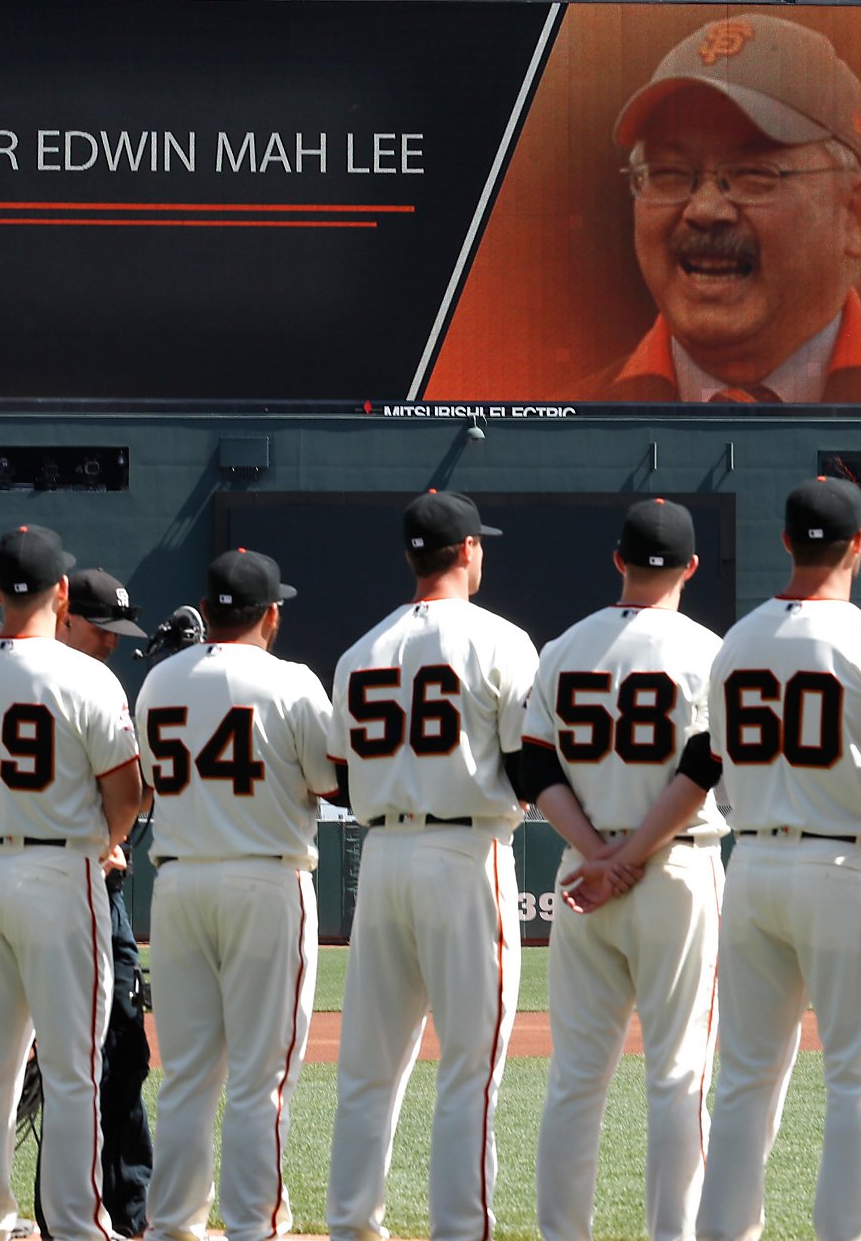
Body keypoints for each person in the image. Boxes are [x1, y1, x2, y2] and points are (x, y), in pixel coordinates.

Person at [650, 477, 861, 1241]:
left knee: (742, 1081)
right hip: (845, 863)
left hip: (754, 865)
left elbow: (712, 762)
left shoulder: (734, 646)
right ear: (858, 543)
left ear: (788, 540)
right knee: (856, 1081)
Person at [325, 491, 537, 1241]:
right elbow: (526, 764)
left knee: (368, 1069)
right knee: (470, 1068)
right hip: (465, 851)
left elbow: (343, 781)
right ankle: (460, 1228)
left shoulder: (361, 650)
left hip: (381, 854)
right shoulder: (503, 641)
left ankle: (350, 1223)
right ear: (469, 550)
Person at [520, 499, 726, 1241]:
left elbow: (530, 762)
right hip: (672, 866)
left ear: (619, 559)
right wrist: (630, 856)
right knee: (678, 1074)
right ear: (691, 567)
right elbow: (705, 765)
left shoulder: (562, 648)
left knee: (576, 1076)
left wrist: (597, 857)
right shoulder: (708, 650)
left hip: (584, 873)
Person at [566, 15, 861, 406]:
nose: (704, 209)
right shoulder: (558, 432)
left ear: (854, 216)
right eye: (668, 174)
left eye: (754, 174)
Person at [0, 526, 143, 1241]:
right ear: (63, 593)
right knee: (73, 1067)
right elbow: (127, 791)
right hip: (61, 871)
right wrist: (108, 843)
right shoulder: (86, 676)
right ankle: (76, 1225)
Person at [134, 549, 333, 1241]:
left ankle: (174, 1223)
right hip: (265, 877)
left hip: (180, 880)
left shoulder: (159, 682)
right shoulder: (293, 682)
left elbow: (150, 784)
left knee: (187, 1076)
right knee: (260, 1078)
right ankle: (255, 1225)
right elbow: (330, 781)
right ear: (270, 614)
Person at [52, 565, 153, 1239]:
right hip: (57, 878)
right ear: (63, 614)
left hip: (98, 886)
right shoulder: (61, 681)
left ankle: (129, 1205)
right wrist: (105, 838)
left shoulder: (94, 685)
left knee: (124, 1046)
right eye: (102, 627)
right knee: (60, 1060)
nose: (114, 641)